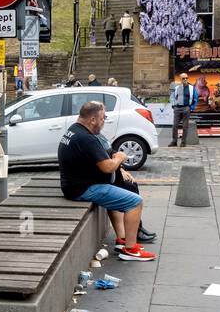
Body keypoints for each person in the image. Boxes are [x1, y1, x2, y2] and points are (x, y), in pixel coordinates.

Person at [57, 100, 155, 261]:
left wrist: (118, 166)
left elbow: (102, 157)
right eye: (103, 118)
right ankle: (130, 249)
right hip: (82, 189)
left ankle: (122, 239)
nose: (104, 122)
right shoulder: (86, 138)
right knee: (136, 202)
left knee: (115, 189)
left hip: (73, 184)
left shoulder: (74, 130)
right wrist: (120, 158)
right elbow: (107, 167)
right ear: (92, 119)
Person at [170, 72, 194, 146]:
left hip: (186, 108)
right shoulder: (177, 88)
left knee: (185, 126)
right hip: (177, 108)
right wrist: (173, 106)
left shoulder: (191, 88)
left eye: (187, 78)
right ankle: (174, 142)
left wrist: (191, 108)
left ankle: (183, 142)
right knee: (175, 126)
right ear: (180, 79)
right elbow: (172, 97)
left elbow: (195, 98)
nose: (185, 79)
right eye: (183, 78)